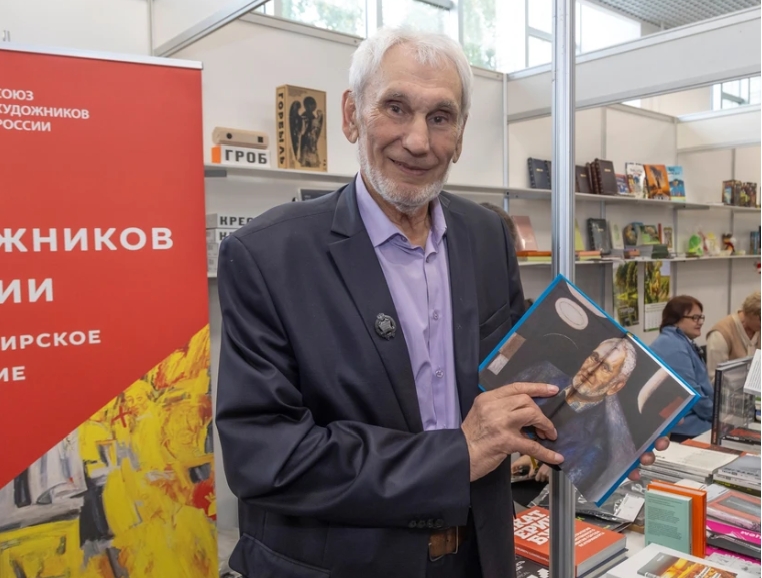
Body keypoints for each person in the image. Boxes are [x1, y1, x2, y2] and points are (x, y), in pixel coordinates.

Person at [216, 28, 666, 578]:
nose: (418, 140)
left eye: (440, 117)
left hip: (481, 554)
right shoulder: (268, 254)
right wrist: (457, 455)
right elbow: (264, 455)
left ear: (461, 133)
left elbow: (515, 377)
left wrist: (610, 435)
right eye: (396, 108)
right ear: (352, 115)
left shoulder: (486, 235)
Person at [510, 338, 638, 504]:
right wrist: (532, 458)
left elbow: (570, 486)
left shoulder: (599, 441)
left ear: (615, 386)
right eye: (594, 358)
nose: (590, 370)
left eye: (605, 368)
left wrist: (550, 467)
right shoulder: (541, 373)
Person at [650, 295, 713, 441]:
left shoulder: (678, 341)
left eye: (701, 317)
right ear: (676, 319)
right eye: (695, 318)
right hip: (686, 429)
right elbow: (692, 393)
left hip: (692, 424)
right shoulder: (672, 346)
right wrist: (717, 416)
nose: (700, 322)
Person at [706, 291, 761, 382]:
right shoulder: (720, 335)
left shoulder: (757, 328)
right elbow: (715, 381)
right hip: (731, 390)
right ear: (751, 314)